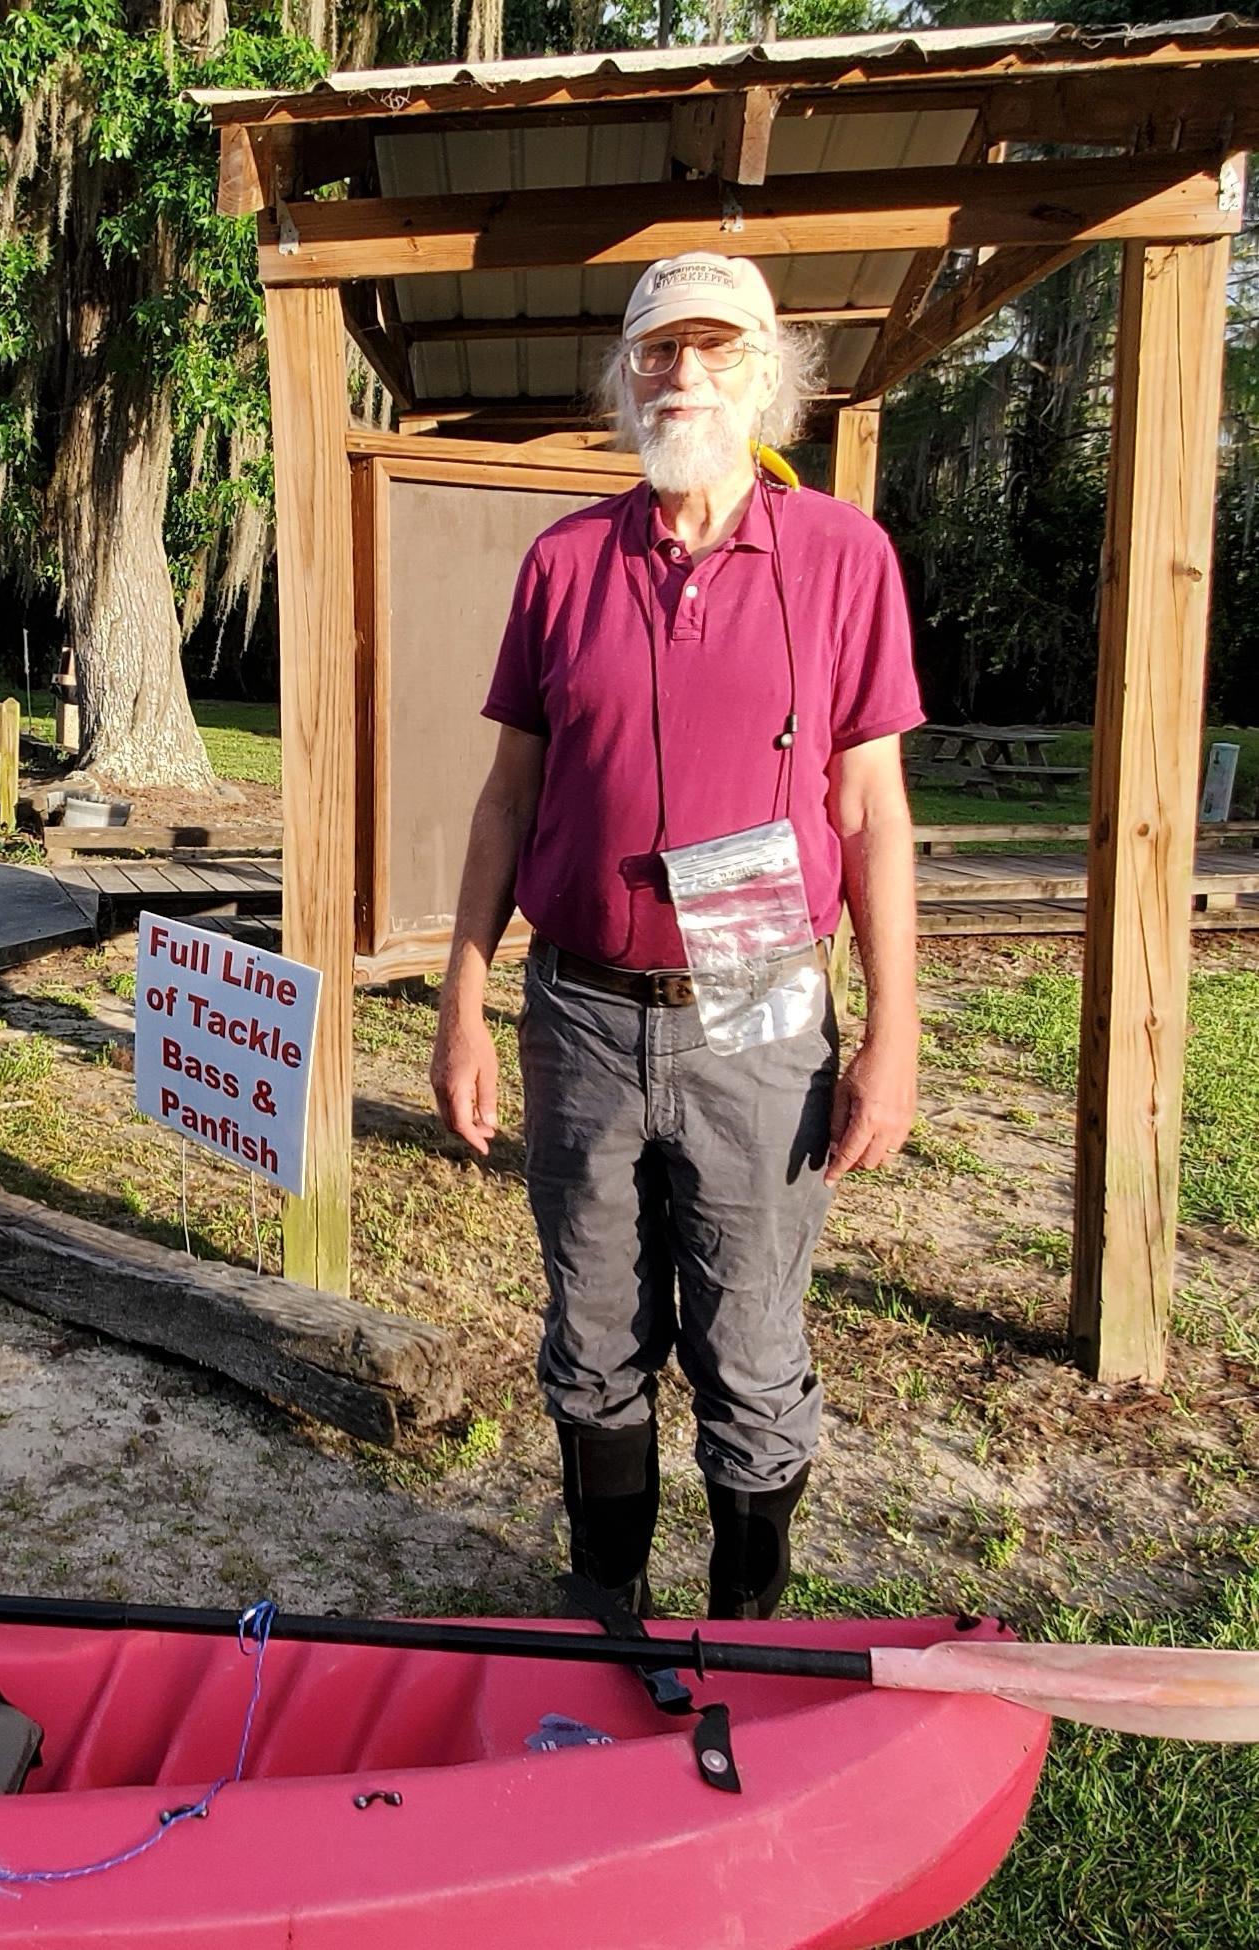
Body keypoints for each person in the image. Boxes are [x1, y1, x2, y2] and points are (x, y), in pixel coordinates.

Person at [430, 253, 923, 1621]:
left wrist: (895, 1032)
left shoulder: (841, 559)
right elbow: (507, 798)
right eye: (657, 351)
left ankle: (742, 1629)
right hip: (582, 1011)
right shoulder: (565, 565)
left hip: (761, 1012)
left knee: (750, 1343)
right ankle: (608, 1613)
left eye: (716, 349)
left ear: (770, 372)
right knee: (592, 1335)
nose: (684, 376)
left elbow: (872, 808)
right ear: (623, 377)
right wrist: (465, 1003)